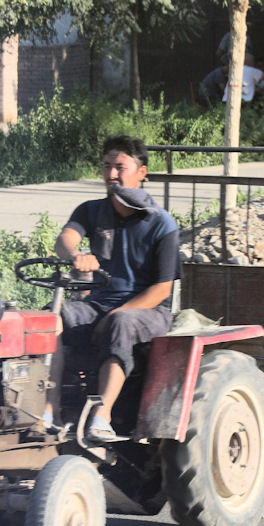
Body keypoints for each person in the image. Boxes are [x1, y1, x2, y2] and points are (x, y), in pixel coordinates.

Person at [49, 135, 180, 442]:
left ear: (142, 172)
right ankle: (49, 410)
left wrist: (115, 314)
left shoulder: (162, 224)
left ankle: (101, 416)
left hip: (150, 312)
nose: (111, 174)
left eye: (119, 167)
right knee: (51, 317)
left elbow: (162, 290)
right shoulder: (91, 210)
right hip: (98, 303)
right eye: (106, 166)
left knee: (120, 322)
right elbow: (63, 240)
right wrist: (76, 255)